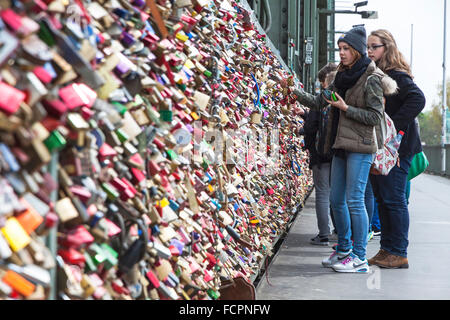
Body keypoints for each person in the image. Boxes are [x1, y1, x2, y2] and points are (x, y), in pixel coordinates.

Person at [293, 26, 397, 273]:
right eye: (340, 49)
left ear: (357, 51)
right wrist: (292, 92)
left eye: (346, 49)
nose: (341, 53)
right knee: (336, 199)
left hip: (361, 147)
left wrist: (345, 108)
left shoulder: (372, 79)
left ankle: (360, 257)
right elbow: (320, 102)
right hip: (340, 144)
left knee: (353, 199)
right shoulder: (341, 76)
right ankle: (343, 250)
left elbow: (374, 116)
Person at [366, 29, 425, 269]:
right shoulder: (380, 74)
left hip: (398, 148)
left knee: (394, 199)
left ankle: (399, 252)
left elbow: (418, 99)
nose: (369, 51)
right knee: (383, 198)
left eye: (374, 47)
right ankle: (387, 249)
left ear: (386, 48)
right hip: (386, 147)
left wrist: (394, 126)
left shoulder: (397, 75)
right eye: (368, 47)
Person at [302, 63, 337, 246]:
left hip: (321, 154)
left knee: (322, 193)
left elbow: (310, 127)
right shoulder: (340, 100)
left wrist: (303, 128)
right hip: (337, 154)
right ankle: (339, 231)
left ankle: (323, 233)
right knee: (336, 194)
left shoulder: (321, 100)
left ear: (325, 80)